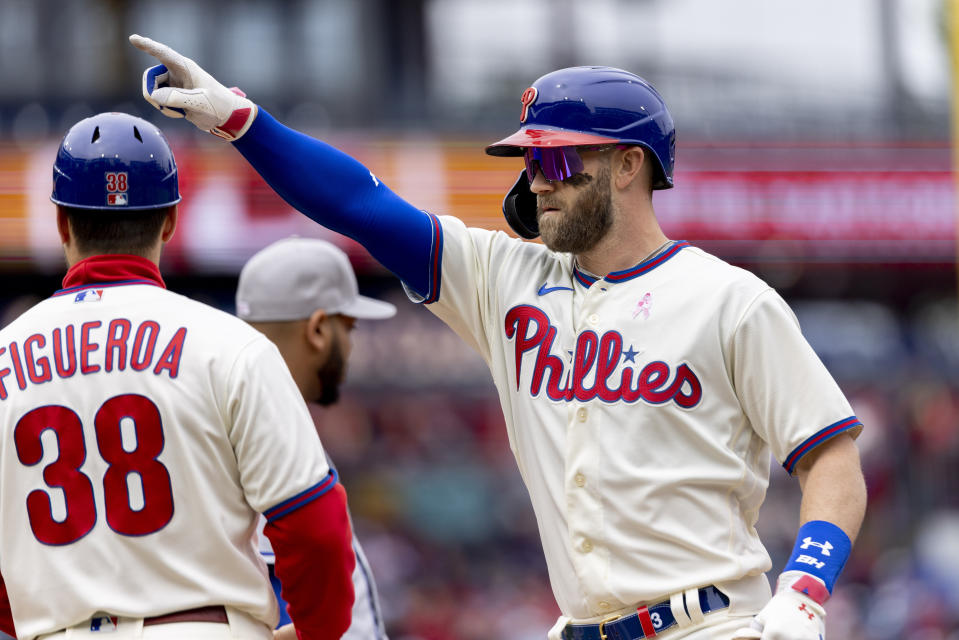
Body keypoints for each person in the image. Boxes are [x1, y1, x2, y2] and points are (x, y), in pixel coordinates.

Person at [129, 34, 868, 640]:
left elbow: (829, 457)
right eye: (528, 161)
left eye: (553, 159)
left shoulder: (729, 300)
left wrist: (803, 589)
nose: (535, 180)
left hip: (712, 625)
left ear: (627, 164)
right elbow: (360, 204)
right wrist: (239, 120)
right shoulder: (502, 278)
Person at [0, 112, 356, 640]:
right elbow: (316, 532)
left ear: (61, 223)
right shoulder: (234, 347)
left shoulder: (4, 357)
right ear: (169, 221)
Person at [235, 237, 395, 640]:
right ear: (319, 329)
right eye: (349, 328)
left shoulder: (228, 417)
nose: (352, 345)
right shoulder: (263, 433)